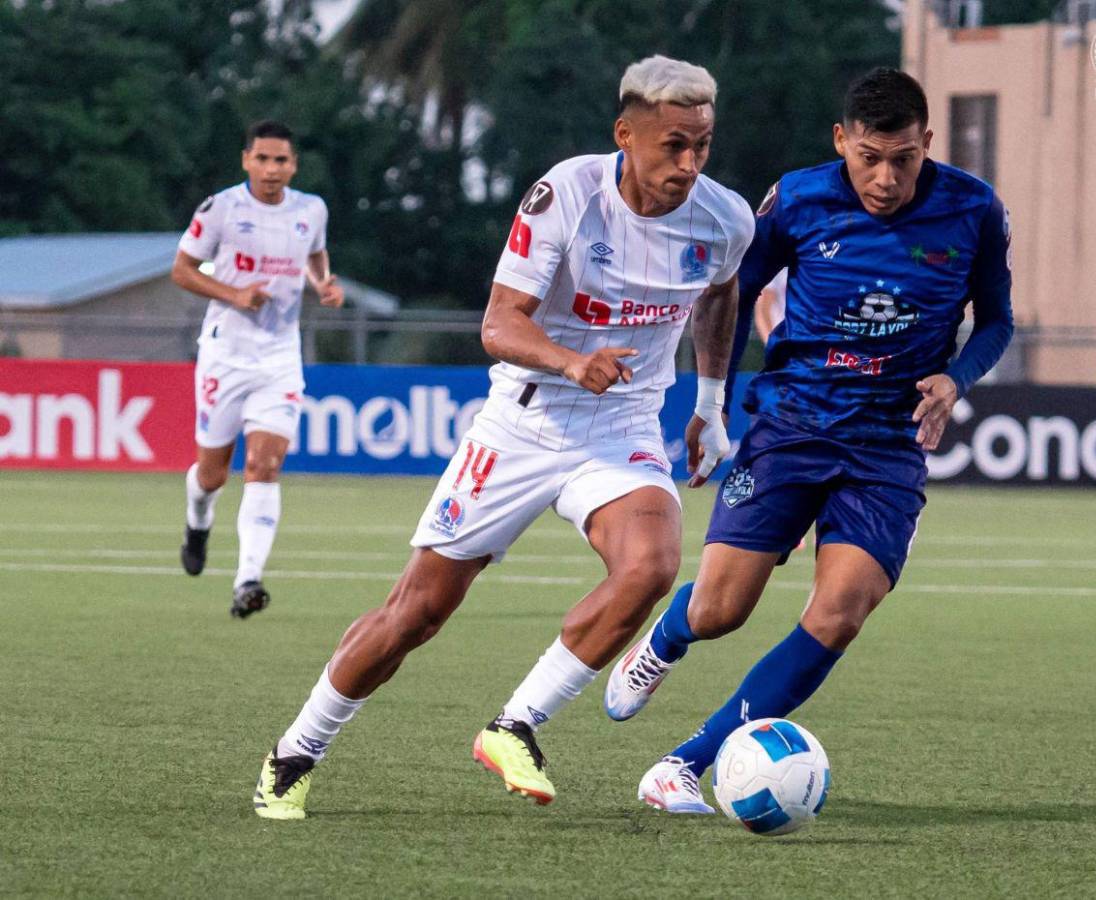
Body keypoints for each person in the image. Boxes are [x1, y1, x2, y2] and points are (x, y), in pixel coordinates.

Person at [252, 55, 755, 820]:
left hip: (621, 427)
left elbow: (721, 294)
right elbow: (498, 324)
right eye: (673, 145)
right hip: (524, 420)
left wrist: (711, 401)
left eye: (703, 145)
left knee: (651, 565)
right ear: (626, 134)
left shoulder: (725, 219)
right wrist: (571, 362)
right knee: (415, 613)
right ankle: (296, 749)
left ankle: (514, 724)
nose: (689, 164)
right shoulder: (568, 196)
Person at [604, 67, 1014, 813]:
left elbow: (996, 320)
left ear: (928, 143)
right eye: (869, 158)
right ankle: (666, 639)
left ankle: (682, 765)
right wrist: (712, 402)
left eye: (904, 159)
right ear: (841, 142)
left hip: (888, 444)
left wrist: (957, 377)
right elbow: (728, 290)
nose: (886, 178)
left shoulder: (975, 210)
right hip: (792, 425)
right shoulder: (796, 199)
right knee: (723, 608)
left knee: (840, 611)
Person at [173, 120, 344, 618]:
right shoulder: (221, 209)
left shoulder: (311, 209)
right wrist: (234, 295)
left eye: (282, 161)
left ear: (293, 165)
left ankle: (248, 578)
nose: (272, 169)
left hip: (279, 356)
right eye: (263, 159)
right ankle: (198, 519)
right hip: (225, 354)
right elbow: (181, 270)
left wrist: (323, 283)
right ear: (246, 159)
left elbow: (315, 254)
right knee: (212, 473)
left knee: (264, 466)